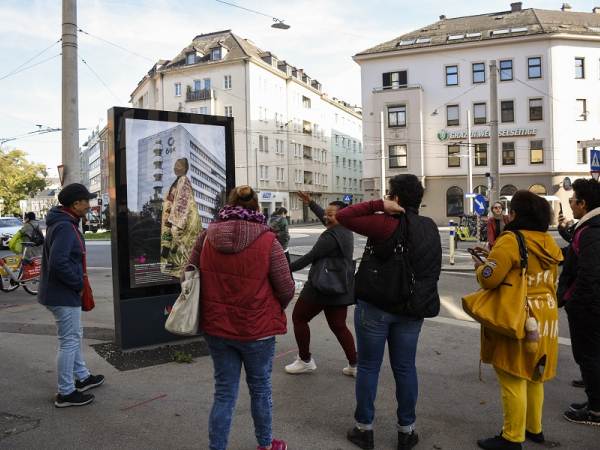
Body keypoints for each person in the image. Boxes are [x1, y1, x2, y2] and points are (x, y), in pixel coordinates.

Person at [336, 174, 442, 450]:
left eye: (388, 194)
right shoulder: (430, 226)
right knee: (405, 368)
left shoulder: (385, 222)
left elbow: (345, 216)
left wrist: (377, 204)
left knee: (369, 367)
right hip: (412, 309)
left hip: (377, 306)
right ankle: (406, 431)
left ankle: (364, 429)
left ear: (395, 198)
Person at [186, 185, 294, 450]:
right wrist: (269, 306)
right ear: (257, 208)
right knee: (259, 389)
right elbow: (286, 288)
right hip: (257, 330)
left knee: (224, 392)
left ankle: (217, 447)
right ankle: (266, 445)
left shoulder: (205, 237)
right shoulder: (269, 240)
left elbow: (187, 275)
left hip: (216, 327)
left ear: (228, 205)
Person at [471, 190, 563, 450]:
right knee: (534, 374)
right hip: (546, 316)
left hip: (519, 316)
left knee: (511, 375)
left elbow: (489, 278)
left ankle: (512, 438)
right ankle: (534, 428)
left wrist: (481, 267)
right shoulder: (548, 240)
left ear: (514, 214)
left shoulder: (511, 238)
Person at [37, 183, 105, 408]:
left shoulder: (63, 222)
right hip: (62, 294)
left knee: (74, 335)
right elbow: (58, 262)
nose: (89, 204)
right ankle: (65, 392)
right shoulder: (66, 227)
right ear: (76, 204)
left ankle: (82, 377)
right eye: (86, 200)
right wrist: (77, 284)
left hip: (60, 293)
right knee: (69, 341)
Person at [284, 192, 357, 376]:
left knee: (299, 318)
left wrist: (284, 270)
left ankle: (305, 360)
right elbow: (327, 220)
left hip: (321, 285)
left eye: (330, 214)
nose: (326, 217)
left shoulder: (330, 236)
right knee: (339, 325)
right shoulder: (345, 230)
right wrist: (311, 203)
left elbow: (310, 257)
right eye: (326, 213)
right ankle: (356, 365)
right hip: (340, 286)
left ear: (341, 216)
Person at [557, 178, 600, 426]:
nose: (571, 205)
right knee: (593, 356)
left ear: (583, 204)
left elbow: (589, 275)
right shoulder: (589, 227)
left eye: (573, 201)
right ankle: (595, 401)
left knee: (589, 357)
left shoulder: (591, 230)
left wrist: (574, 303)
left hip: (589, 307)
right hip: (591, 304)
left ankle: (595, 410)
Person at [160, 157, 203, 277]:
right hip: (171, 223)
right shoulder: (177, 181)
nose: (176, 167)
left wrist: (176, 225)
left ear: (185, 169)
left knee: (180, 255)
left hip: (178, 225)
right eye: (175, 165)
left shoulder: (183, 181)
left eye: (179, 165)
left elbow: (182, 204)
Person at [268, 207, 296, 284]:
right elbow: (286, 234)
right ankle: (291, 282)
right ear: (283, 213)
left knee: (276, 266)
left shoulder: (271, 219)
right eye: (285, 214)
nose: (285, 216)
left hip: (273, 245)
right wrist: (286, 243)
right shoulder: (283, 220)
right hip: (283, 246)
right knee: (288, 266)